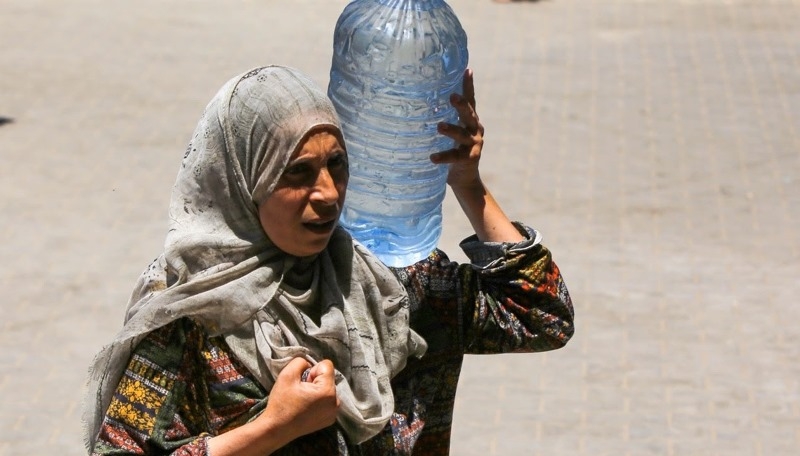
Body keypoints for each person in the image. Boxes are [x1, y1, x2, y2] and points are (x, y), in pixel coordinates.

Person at [83, 65, 574, 455]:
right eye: (297, 173)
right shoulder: (193, 317)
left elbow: (543, 315)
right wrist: (273, 429)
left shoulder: (391, 287)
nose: (327, 193)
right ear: (242, 185)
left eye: (336, 164)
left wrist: (468, 186)